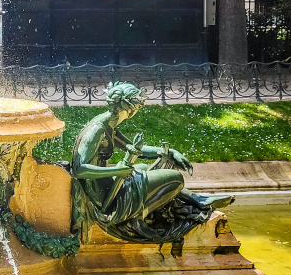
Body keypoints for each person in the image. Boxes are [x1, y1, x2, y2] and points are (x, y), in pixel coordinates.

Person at [71, 82, 233, 245]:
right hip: (102, 196)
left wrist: (168, 152)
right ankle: (137, 217)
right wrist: (117, 171)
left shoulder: (108, 124)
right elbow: (79, 170)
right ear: (130, 108)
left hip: (103, 185)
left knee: (141, 168)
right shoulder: (97, 129)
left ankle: (197, 199)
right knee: (176, 178)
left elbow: (134, 149)